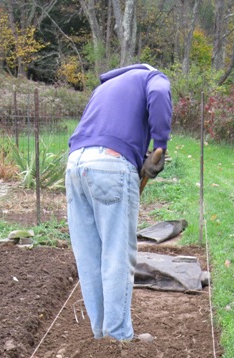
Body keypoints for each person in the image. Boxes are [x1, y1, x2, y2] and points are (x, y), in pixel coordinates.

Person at [65, 64, 172, 341]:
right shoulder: (151, 76)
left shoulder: (105, 87)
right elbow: (160, 92)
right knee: (117, 253)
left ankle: (101, 335)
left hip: (76, 164)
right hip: (110, 163)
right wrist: (160, 144)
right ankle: (119, 336)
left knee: (89, 256)